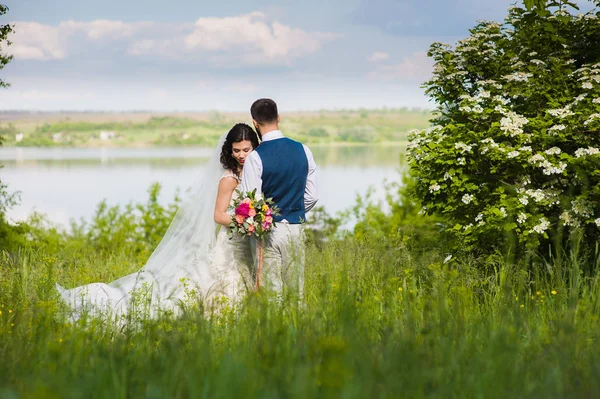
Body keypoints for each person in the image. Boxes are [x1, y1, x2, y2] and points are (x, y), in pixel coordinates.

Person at [56, 123, 260, 320]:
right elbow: (218, 215)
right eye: (236, 151)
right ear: (229, 150)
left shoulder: (252, 174)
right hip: (231, 243)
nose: (241, 155)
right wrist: (248, 220)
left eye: (246, 150)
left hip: (245, 243)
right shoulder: (230, 179)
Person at [240, 98, 318, 298]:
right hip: (296, 227)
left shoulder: (255, 158)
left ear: (254, 123)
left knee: (272, 294)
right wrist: (293, 210)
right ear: (279, 118)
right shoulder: (304, 150)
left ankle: (274, 330)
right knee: (296, 290)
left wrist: (273, 216)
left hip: (268, 232)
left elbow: (252, 203)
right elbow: (312, 196)